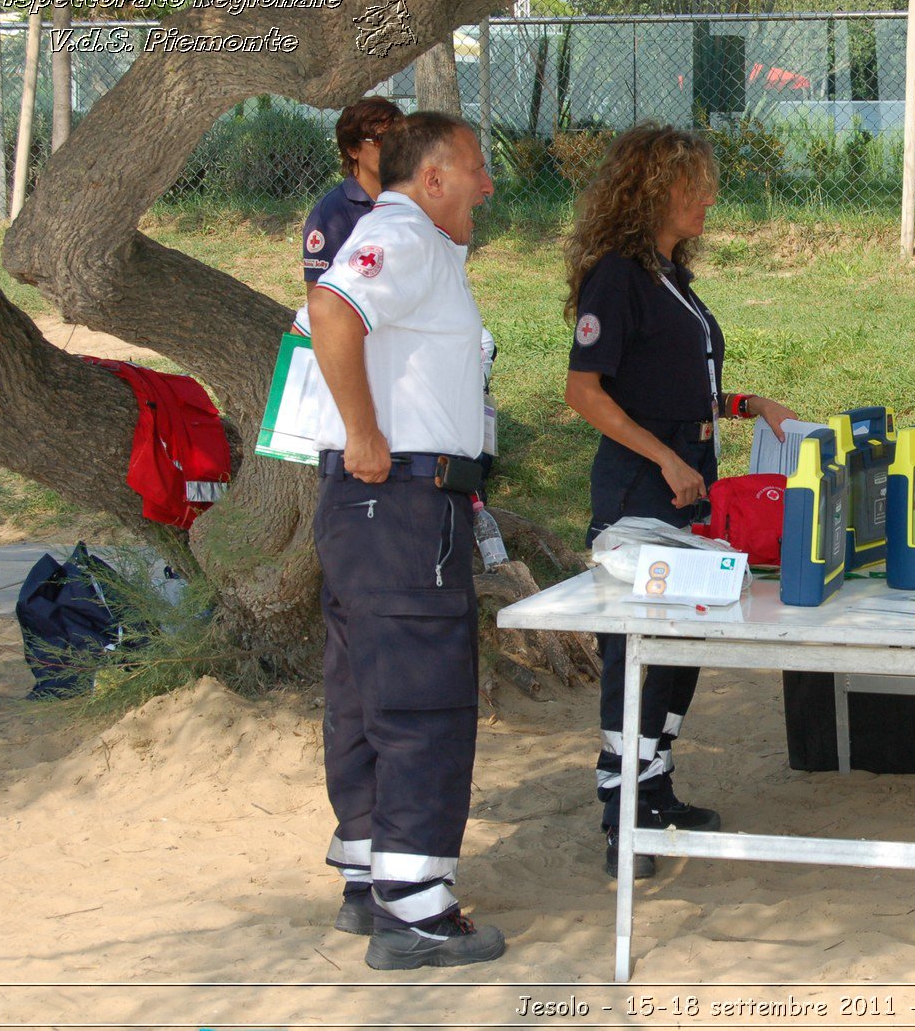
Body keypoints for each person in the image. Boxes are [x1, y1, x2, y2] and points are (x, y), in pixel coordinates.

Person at [562, 124, 795, 879]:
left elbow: (665, 384)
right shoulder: (618, 277)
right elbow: (585, 392)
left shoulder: (668, 276)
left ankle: (654, 786)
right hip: (641, 491)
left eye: (705, 184)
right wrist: (662, 456)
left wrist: (743, 403)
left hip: (687, 481)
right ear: (650, 190)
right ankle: (618, 811)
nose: (707, 198)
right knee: (637, 648)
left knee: (684, 643)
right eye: (691, 185)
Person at [308, 111, 504, 969]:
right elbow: (332, 307)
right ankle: (417, 911)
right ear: (431, 179)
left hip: (373, 509)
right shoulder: (405, 236)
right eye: (475, 170)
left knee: (364, 693)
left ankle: (369, 877)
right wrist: (365, 432)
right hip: (399, 502)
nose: (488, 186)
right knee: (422, 700)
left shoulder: (414, 241)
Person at [303, 97, 403, 290]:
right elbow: (319, 300)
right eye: (381, 140)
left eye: (399, 139)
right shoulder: (330, 214)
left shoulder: (410, 202)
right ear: (352, 149)